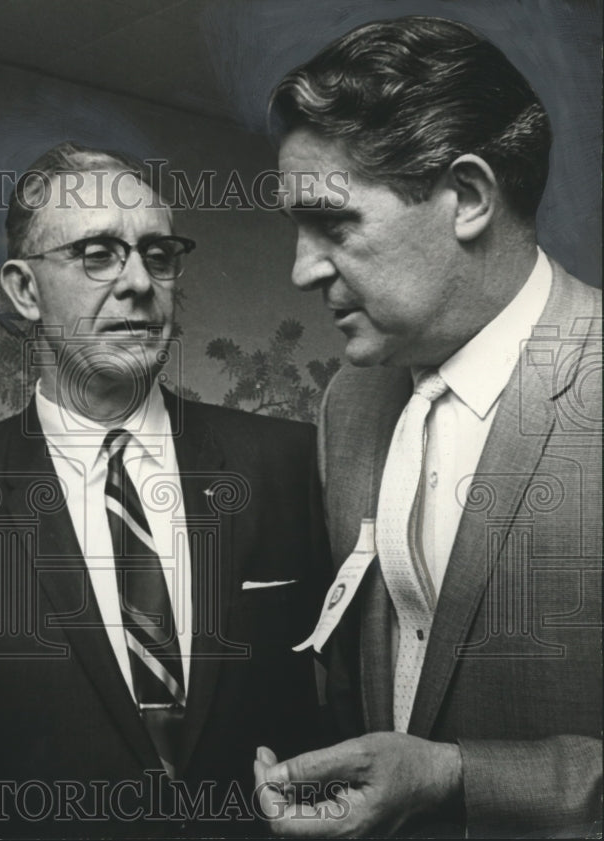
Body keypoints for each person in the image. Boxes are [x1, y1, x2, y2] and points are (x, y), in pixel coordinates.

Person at [0, 142, 331, 836]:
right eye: (98, 253)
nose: (138, 282)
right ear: (24, 289)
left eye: (157, 255)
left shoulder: (289, 465)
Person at [255, 16, 602, 838]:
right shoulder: (352, 402)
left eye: (334, 226)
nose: (301, 269)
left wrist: (454, 777)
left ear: (471, 198)